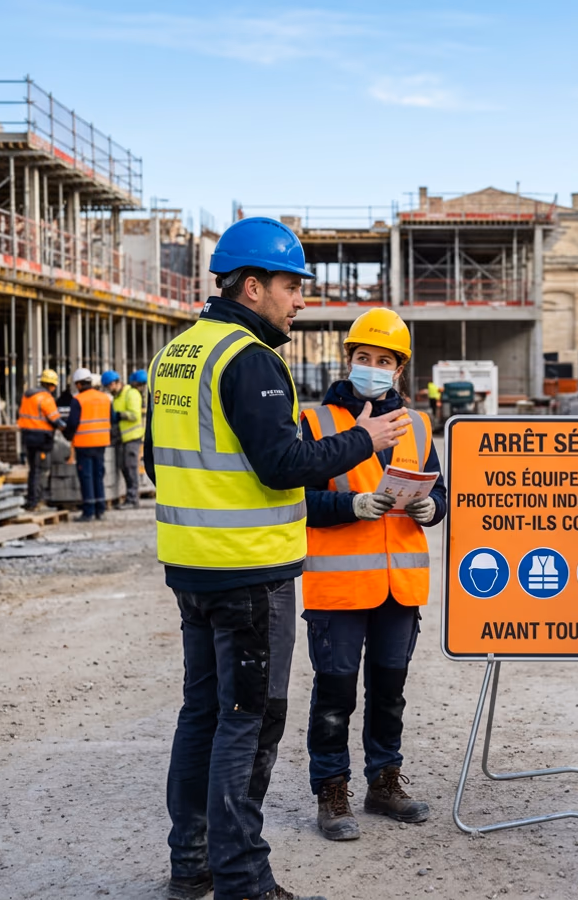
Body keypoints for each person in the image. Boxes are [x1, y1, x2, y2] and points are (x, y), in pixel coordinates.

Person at [145, 217, 411, 900]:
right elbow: (283, 463)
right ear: (253, 286)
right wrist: (364, 439)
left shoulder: (177, 355)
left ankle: (192, 864)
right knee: (250, 719)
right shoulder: (250, 357)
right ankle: (244, 880)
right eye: (292, 286)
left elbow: (154, 462)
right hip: (248, 571)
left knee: (202, 714)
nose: (300, 300)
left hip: (192, 565)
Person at [299, 307, 446, 842]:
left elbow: (439, 489)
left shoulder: (419, 425)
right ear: (349, 359)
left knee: (389, 692)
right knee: (334, 695)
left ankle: (384, 782)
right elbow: (297, 500)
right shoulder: (316, 423)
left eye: (384, 360)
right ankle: (331, 790)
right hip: (338, 588)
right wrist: (352, 505)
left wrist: (433, 508)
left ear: (399, 369)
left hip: (399, 587)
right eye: (364, 356)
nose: (373, 367)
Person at [62, 367, 114, 522]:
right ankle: (100, 510)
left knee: (86, 477)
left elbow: (72, 423)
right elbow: (113, 418)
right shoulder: (105, 398)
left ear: (78, 384)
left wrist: (67, 435)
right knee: (98, 475)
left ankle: (89, 511)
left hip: (84, 443)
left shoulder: (78, 400)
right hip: (101, 442)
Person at [17, 368, 65, 511]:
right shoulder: (46, 398)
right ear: (52, 385)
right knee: (41, 470)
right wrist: (66, 428)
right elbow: (55, 419)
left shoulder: (27, 396)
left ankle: (32, 500)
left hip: (27, 437)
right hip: (41, 439)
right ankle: (37, 501)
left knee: (33, 470)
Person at [105, 369, 144, 509]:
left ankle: (133, 499)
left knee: (130, 468)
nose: (109, 389)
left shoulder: (131, 394)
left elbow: (134, 415)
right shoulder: (117, 397)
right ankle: (129, 497)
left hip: (132, 438)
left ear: (117, 383)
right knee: (124, 468)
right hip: (121, 438)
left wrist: (119, 415)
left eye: (110, 386)